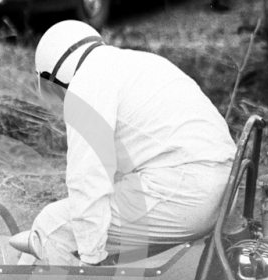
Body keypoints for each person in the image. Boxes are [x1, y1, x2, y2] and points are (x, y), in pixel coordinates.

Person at [28, 20, 237, 266]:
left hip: (185, 195)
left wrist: (90, 256)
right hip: (222, 190)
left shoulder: (86, 84)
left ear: (55, 74)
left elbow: (86, 178)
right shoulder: (137, 63)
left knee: (52, 224)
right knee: (94, 215)